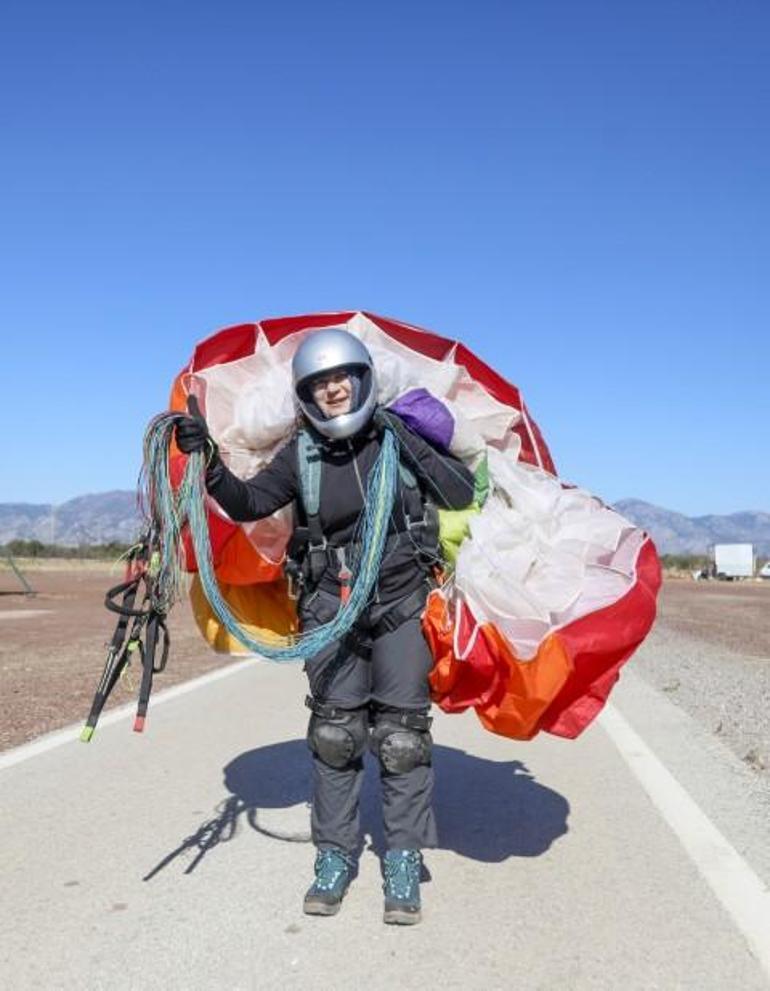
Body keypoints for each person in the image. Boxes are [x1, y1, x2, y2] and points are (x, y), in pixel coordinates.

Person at [175, 327, 475, 924]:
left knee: (401, 739)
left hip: (400, 604)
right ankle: (334, 857)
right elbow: (251, 502)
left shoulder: (400, 436)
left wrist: (404, 438)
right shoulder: (302, 452)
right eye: (318, 383)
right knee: (335, 736)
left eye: (342, 378)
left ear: (362, 379)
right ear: (306, 394)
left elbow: (460, 489)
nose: (333, 390)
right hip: (329, 607)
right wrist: (206, 460)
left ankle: (403, 859)